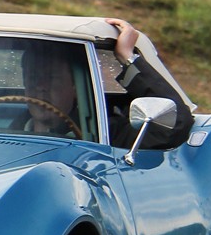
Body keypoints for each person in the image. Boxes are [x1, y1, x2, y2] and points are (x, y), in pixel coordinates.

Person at [20, 18, 193, 149]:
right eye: (33, 78)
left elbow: (175, 123)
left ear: (74, 87)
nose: (40, 86)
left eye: (52, 79)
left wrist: (127, 57)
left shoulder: (105, 133)